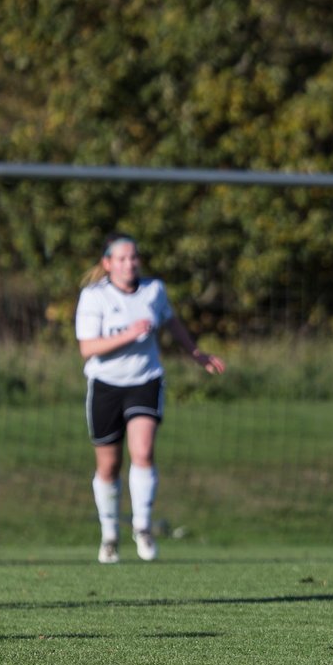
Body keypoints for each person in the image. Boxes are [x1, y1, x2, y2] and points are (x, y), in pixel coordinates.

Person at [75, 233, 226, 564]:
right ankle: (110, 534)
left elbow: (172, 322)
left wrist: (196, 353)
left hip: (145, 380)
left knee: (142, 452)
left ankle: (142, 528)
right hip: (105, 385)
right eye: (122, 259)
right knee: (109, 465)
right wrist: (129, 334)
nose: (130, 264)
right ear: (108, 264)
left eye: (134, 257)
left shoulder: (154, 290)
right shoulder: (94, 297)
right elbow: (88, 348)